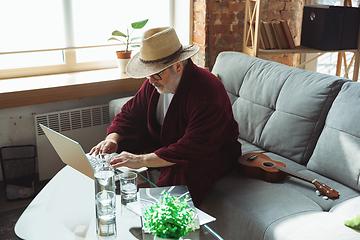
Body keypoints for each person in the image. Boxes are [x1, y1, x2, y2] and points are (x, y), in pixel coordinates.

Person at [91, 27, 241, 206]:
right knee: (117, 150)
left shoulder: (207, 92)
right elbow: (130, 113)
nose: (151, 81)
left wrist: (140, 160)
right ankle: (112, 201)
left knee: (184, 173)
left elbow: (193, 147)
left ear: (178, 66)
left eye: (155, 74)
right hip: (168, 141)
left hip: (210, 152)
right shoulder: (154, 83)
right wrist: (112, 139)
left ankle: (162, 221)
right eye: (148, 74)